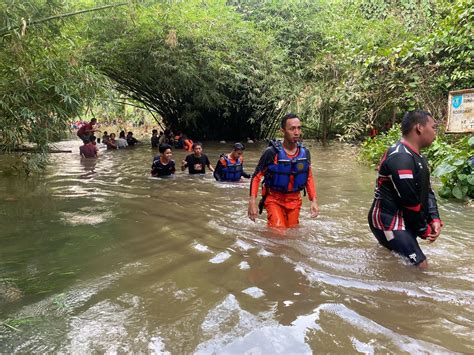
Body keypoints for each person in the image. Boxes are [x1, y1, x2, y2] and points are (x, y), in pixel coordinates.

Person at [368, 110, 443, 268]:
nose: (435, 132)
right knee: (421, 266)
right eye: (433, 127)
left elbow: (427, 191)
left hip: (406, 218)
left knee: (398, 261)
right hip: (388, 220)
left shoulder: (419, 157)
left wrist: (434, 219)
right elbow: (410, 201)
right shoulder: (400, 157)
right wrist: (424, 229)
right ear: (419, 128)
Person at [248, 113, 319, 228]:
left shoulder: (305, 153)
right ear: (283, 131)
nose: (296, 132)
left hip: (295, 200)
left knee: (292, 233)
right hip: (274, 199)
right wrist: (252, 202)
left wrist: (313, 200)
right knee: (278, 231)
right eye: (292, 129)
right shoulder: (271, 152)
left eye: (299, 128)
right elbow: (256, 177)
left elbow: (308, 177)